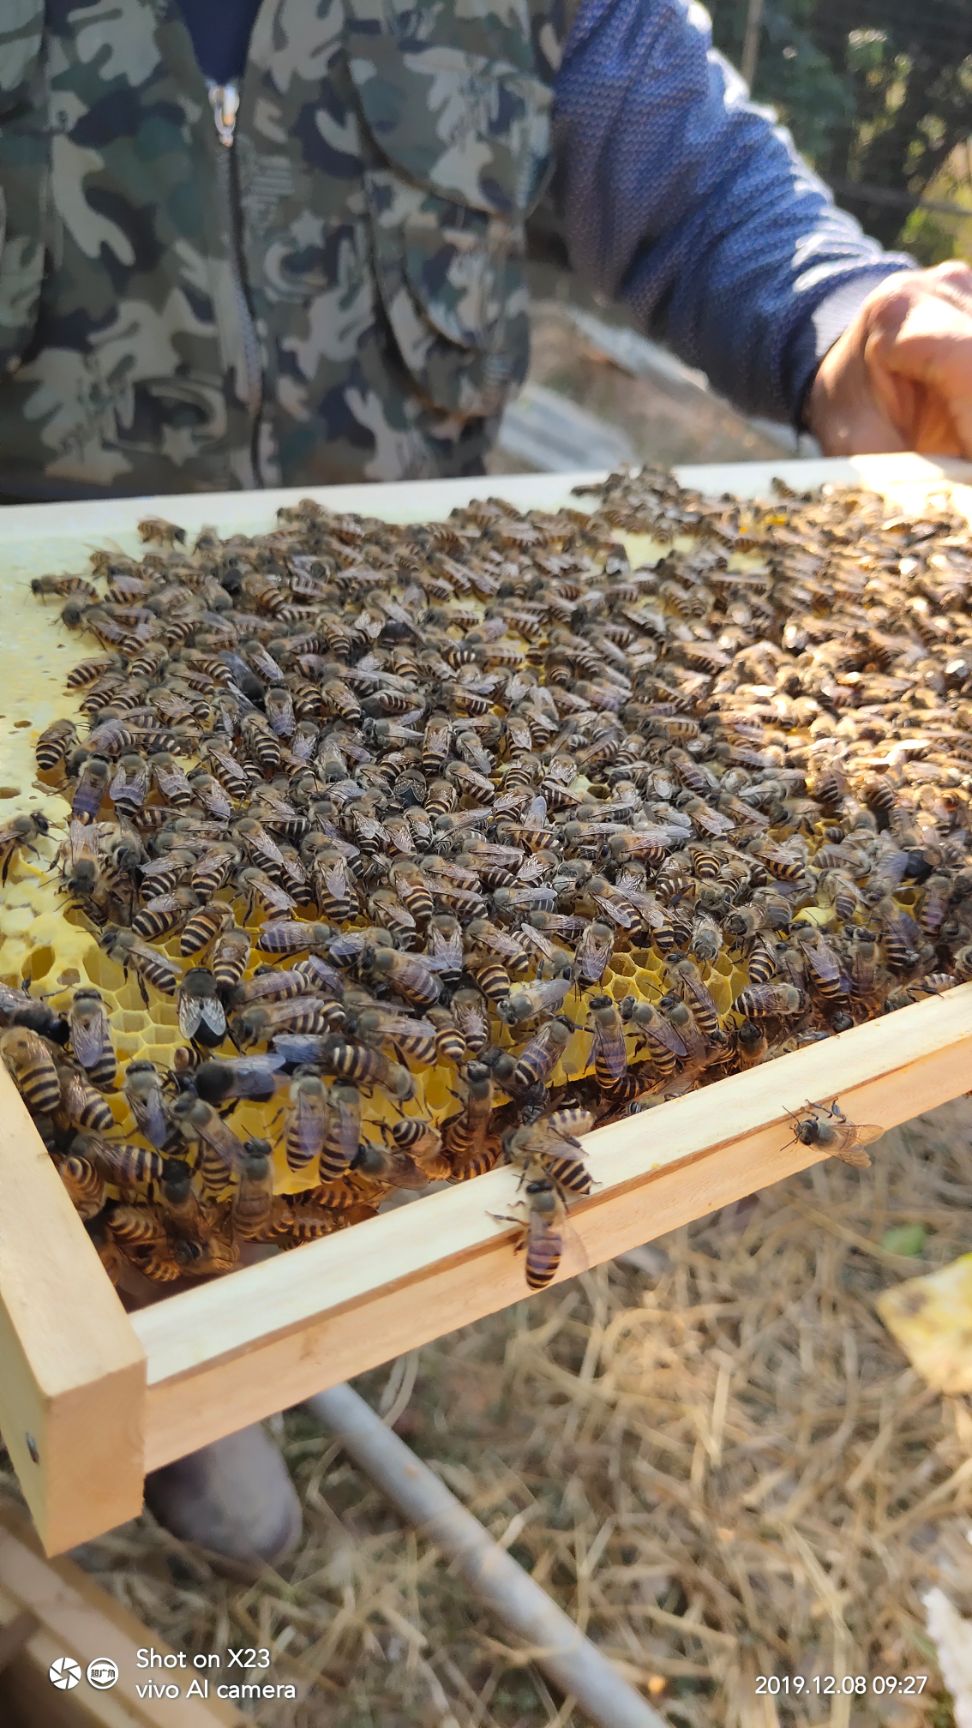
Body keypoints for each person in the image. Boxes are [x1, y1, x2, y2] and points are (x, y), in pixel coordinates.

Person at [6, 1, 970, 1563]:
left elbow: (689, 173)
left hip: (407, 685)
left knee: (283, 1076)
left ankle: (197, 1323)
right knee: (80, 1015)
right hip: (73, 696)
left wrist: (847, 312)